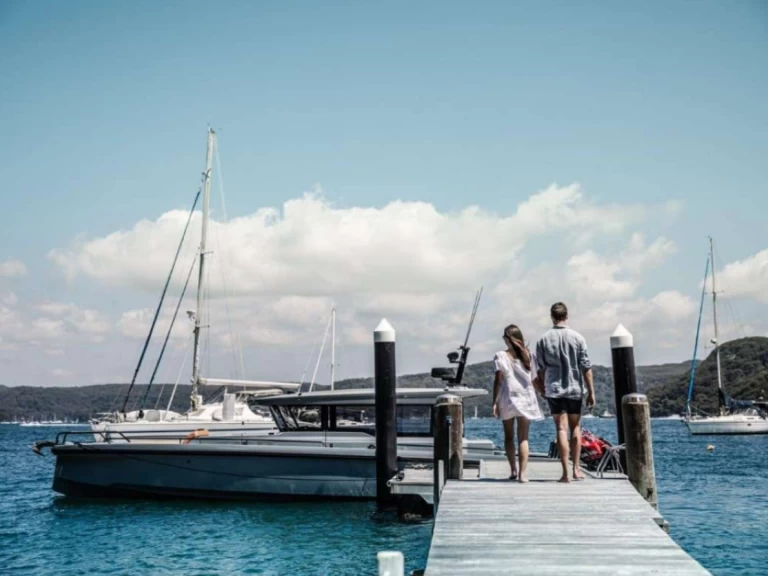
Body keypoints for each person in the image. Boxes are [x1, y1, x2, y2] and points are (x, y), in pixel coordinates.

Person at [535, 302, 595, 483]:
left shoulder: (543, 339)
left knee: (561, 428)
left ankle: (565, 473)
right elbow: (586, 367)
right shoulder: (578, 338)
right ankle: (576, 469)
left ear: (552, 317)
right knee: (575, 427)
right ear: (566, 316)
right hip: (575, 388)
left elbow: (540, 369)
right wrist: (591, 392)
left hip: (554, 389)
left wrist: (543, 389)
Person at [492, 324, 544, 483]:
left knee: (508, 437)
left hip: (507, 397)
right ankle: (523, 474)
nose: (503, 339)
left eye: (504, 336)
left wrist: (494, 401)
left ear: (508, 339)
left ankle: (513, 470)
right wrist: (543, 393)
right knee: (523, 438)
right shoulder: (529, 355)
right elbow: (535, 380)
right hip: (526, 398)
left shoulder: (500, 355)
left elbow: (498, 380)